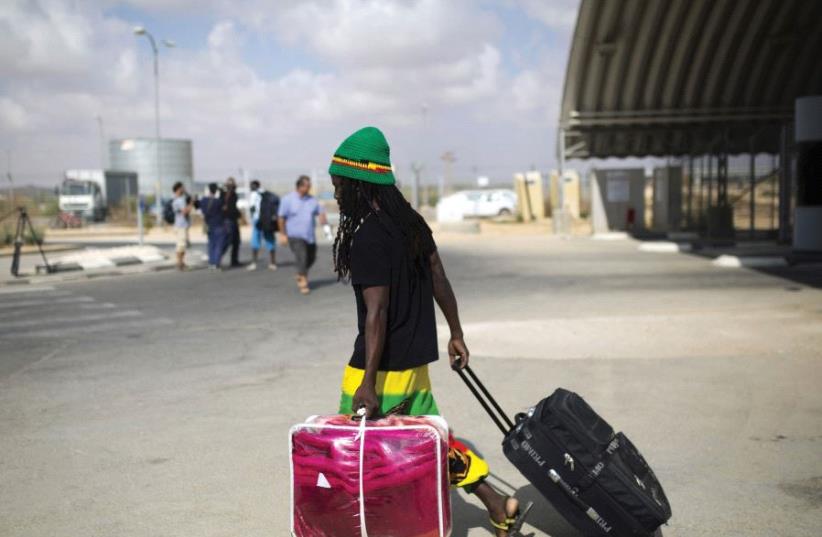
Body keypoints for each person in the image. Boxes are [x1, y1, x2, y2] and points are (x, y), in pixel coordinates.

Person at [329, 126, 527, 537]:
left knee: (355, 448)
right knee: (431, 439)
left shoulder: (367, 236)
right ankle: (497, 505)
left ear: (357, 183)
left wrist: (367, 382)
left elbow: (376, 313)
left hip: (379, 368)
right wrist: (455, 332)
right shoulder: (411, 222)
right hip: (414, 360)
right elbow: (438, 274)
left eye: (338, 184)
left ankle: (373, 525)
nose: (335, 192)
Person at [277, 175, 332, 294]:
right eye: (307, 186)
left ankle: (300, 272)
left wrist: (325, 226)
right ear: (299, 186)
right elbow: (281, 218)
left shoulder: (312, 200)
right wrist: (283, 234)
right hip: (294, 235)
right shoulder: (287, 200)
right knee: (302, 257)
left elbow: (321, 213)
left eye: (309, 186)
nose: (308, 188)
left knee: (311, 258)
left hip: (309, 236)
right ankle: (303, 282)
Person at [247, 180, 278, 271]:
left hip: (258, 220)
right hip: (267, 220)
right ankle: (272, 263)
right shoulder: (266, 193)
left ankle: (254, 262)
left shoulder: (254, 194)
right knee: (270, 240)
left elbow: (252, 208)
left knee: (255, 241)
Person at [195, 182, 225, 270]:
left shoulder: (204, 200)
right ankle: (216, 262)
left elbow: (197, 206)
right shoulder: (218, 201)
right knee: (218, 244)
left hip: (208, 225)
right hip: (218, 224)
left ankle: (211, 262)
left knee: (211, 244)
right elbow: (224, 207)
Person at [171, 181, 193, 271]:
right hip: (181, 226)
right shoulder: (179, 200)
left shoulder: (178, 199)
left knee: (183, 245)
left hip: (182, 225)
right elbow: (185, 212)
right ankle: (179, 263)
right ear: (179, 189)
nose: (184, 189)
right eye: (182, 188)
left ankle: (181, 262)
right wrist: (191, 203)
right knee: (180, 245)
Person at [222, 177, 242, 268]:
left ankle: (234, 260)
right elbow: (229, 208)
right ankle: (217, 258)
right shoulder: (224, 194)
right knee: (227, 241)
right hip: (228, 221)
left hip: (232, 220)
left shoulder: (233, 194)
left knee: (236, 241)